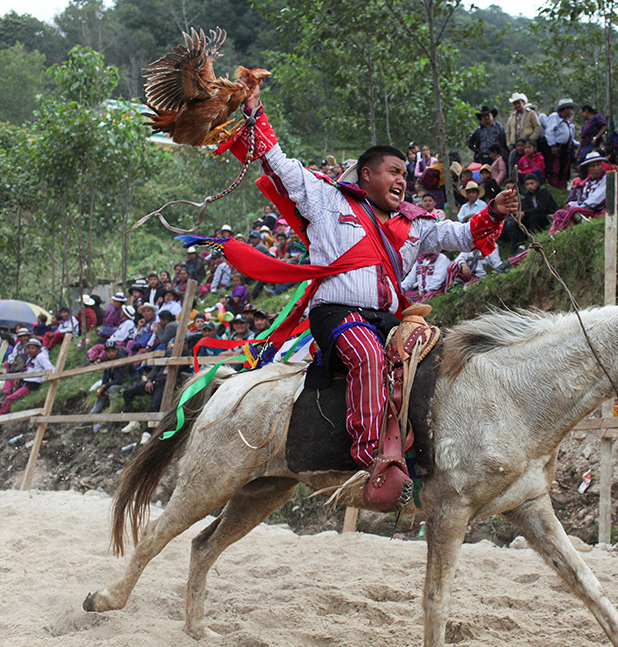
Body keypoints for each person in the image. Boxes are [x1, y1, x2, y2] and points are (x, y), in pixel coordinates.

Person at [211, 89, 516, 511]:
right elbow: (278, 162)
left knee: (436, 356)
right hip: (336, 313)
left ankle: (433, 452)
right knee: (369, 356)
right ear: (366, 175)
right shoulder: (326, 198)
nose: (402, 180)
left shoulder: (416, 222)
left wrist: (495, 211)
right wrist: (254, 109)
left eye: (405, 174)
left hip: (387, 317)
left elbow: (463, 236)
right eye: (392, 171)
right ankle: (370, 455)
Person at [0, 338, 54, 416]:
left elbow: (50, 368)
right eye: (29, 348)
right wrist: (20, 377)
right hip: (26, 380)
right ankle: (5, 393)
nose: (30, 350)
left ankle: (0, 416)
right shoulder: (30, 358)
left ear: (38, 349)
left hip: (32, 384)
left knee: (9, 399)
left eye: (33, 348)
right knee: (10, 379)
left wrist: (47, 378)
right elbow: (28, 369)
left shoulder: (41, 357)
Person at [84, 341, 130, 429]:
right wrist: (102, 387)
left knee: (112, 389)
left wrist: (106, 386)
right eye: (108, 351)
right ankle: (90, 418)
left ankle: (112, 414)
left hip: (126, 382)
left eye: (113, 350)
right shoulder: (108, 360)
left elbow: (121, 379)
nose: (111, 353)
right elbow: (105, 376)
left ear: (117, 350)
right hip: (115, 382)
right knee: (101, 393)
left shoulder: (123, 359)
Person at [545, 98, 579, 189]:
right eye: (570, 109)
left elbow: (570, 136)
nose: (571, 111)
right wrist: (553, 145)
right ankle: (555, 186)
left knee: (565, 169)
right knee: (556, 168)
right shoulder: (555, 117)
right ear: (565, 109)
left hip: (567, 147)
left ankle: (562, 187)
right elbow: (549, 131)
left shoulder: (568, 121)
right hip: (558, 147)